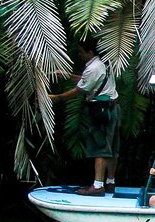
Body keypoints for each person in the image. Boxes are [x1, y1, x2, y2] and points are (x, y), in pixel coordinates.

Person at [49, 39, 120, 196]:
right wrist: (67, 75)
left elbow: (80, 89)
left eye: (82, 52)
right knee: (113, 147)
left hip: (101, 110)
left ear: (90, 52)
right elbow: (89, 80)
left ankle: (98, 186)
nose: (80, 55)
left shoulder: (93, 68)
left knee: (100, 147)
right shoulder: (104, 63)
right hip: (113, 107)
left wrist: (57, 97)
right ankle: (110, 182)